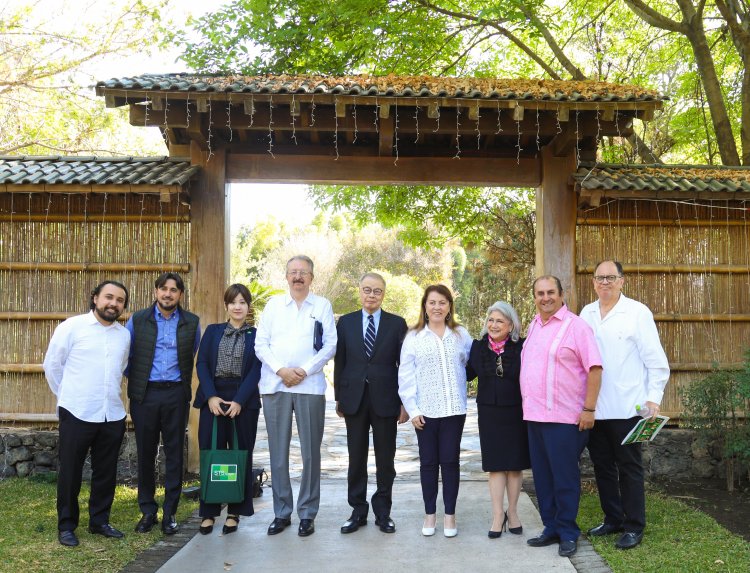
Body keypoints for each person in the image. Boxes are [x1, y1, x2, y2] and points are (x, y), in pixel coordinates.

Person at [580, 260, 670, 550]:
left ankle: (634, 526)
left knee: (629, 468)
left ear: (622, 281)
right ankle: (613, 518)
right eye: (599, 278)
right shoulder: (587, 313)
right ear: (593, 282)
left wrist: (653, 398)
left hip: (628, 408)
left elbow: (656, 362)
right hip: (596, 407)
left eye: (610, 277)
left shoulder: (637, 313)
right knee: (602, 466)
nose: (604, 282)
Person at [43, 280, 131, 547]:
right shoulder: (72, 327)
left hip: (111, 414)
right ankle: (67, 526)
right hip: (76, 411)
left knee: (106, 472)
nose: (113, 303)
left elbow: (122, 367)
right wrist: (68, 397)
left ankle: (99, 521)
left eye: (119, 300)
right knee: (70, 471)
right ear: (95, 298)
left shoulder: (124, 335)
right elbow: (52, 366)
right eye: (108, 297)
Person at [255, 255, 337, 537]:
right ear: (286, 276)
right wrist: (281, 371)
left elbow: (330, 345)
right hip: (276, 386)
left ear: (312, 277)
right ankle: (281, 512)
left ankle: (307, 513)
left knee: (311, 453)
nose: (298, 276)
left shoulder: (322, 305)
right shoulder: (273, 305)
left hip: (310, 386)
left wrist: (303, 370)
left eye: (303, 272)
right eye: (293, 272)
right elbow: (260, 343)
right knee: (278, 453)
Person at [521, 276, 602, 558]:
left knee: (564, 477)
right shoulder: (534, 325)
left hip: (566, 418)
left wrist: (589, 409)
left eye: (551, 292)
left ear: (561, 294)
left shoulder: (576, 327)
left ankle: (568, 531)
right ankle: (551, 527)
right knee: (543, 477)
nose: (546, 298)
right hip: (535, 417)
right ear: (535, 297)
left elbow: (594, 368)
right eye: (540, 293)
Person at [126, 272, 201, 535]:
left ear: (181, 294)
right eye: (163, 289)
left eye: (174, 290)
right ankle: (147, 511)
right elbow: (128, 356)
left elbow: (190, 355)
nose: (168, 294)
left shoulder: (192, 322)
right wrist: (139, 383)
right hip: (145, 395)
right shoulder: (138, 320)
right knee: (146, 453)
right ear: (156, 291)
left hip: (175, 395)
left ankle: (170, 513)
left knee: (174, 454)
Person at [334, 272, 408, 534]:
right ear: (360, 291)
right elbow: (340, 361)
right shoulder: (345, 322)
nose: (371, 295)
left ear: (383, 294)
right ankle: (357, 511)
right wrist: (339, 398)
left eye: (377, 291)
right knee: (356, 459)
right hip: (353, 399)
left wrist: (405, 402)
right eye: (367, 290)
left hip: (386, 400)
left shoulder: (397, 324)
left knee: (385, 460)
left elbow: (404, 366)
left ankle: (383, 512)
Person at [398, 284, 472, 538]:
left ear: (450, 306)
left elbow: (472, 364)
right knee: (429, 464)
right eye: (432, 302)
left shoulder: (461, 335)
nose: (437, 307)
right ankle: (430, 515)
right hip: (425, 413)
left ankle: (450, 516)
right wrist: (412, 409)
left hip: (454, 411)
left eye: (442, 302)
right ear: (425, 306)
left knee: (450, 463)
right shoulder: (414, 337)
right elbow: (405, 376)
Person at [194, 283, 262, 535]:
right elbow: (201, 363)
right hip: (212, 396)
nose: (237, 306)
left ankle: (235, 511)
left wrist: (240, 401)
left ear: (248, 306)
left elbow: (257, 369)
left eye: (242, 302)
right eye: (233, 302)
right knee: (211, 453)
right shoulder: (212, 331)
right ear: (226, 305)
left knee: (239, 454)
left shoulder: (256, 335)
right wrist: (211, 396)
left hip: (243, 400)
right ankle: (208, 512)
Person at [466, 301, 530, 539]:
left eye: (499, 321)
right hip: (489, 412)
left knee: (514, 466)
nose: (493, 325)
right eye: (490, 320)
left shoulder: (522, 347)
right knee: (495, 466)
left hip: (516, 412)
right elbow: (463, 372)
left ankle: (512, 513)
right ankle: (497, 515)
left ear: (510, 325)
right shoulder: (477, 347)